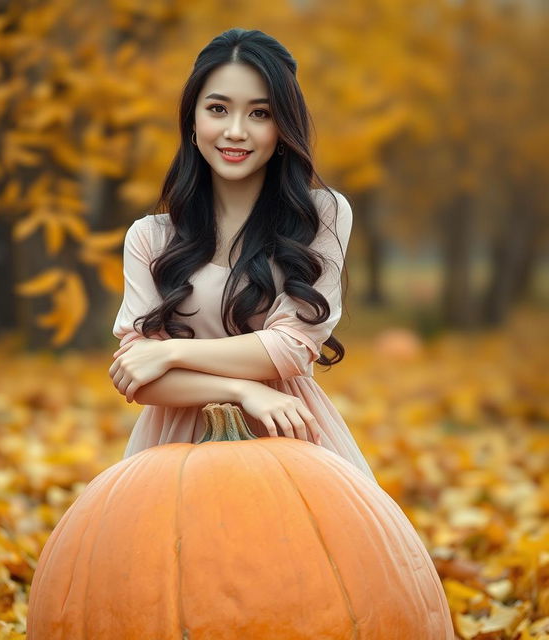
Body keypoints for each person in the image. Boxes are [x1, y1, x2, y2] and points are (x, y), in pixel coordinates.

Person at [109, 28, 377, 484]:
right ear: (192, 121)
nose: (236, 131)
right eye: (218, 109)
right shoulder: (149, 239)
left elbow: (290, 348)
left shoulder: (322, 215)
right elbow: (138, 375)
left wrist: (170, 352)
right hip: (175, 452)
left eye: (260, 113)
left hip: (289, 437)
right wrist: (241, 390)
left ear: (283, 127)